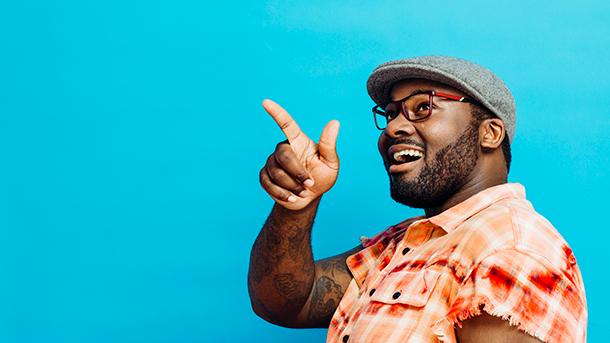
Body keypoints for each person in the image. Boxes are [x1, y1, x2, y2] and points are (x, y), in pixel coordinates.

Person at [247, 55, 587, 342]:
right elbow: (288, 302)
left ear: (490, 133)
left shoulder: (511, 251)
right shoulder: (408, 243)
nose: (394, 127)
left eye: (422, 107)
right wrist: (297, 203)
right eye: (391, 112)